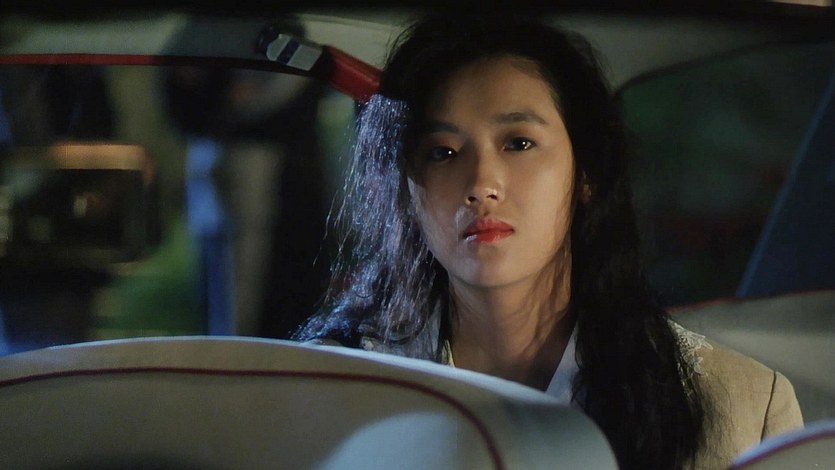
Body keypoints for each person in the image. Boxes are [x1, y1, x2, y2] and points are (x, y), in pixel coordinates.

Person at [293, 11, 803, 469]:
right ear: (408, 189)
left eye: (518, 143)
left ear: (586, 173)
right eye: (442, 152)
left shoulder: (742, 407)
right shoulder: (324, 387)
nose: (481, 184)